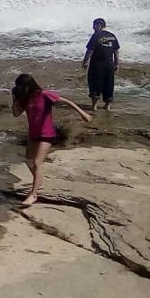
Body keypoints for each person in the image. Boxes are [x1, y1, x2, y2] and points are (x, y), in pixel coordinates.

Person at [12, 74, 92, 207]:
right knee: (28, 160)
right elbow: (16, 113)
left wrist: (82, 113)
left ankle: (33, 195)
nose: (19, 88)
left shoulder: (44, 95)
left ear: (28, 85)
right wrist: (15, 99)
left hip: (46, 134)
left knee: (37, 162)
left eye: (21, 86)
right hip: (33, 134)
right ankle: (40, 183)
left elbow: (66, 101)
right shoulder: (25, 99)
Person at [82, 18, 120, 111]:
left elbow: (90, 50)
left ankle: (94, 106)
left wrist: (85, 61)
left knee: (95, 84)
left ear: (99, 25)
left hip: (97, 65)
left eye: (94, 25)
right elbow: (116, 51)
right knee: (109, 85)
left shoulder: (96, 35)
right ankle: (107, 106)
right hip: (109, 65)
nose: (93, 27)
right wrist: (116, 64)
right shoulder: (112, 36)